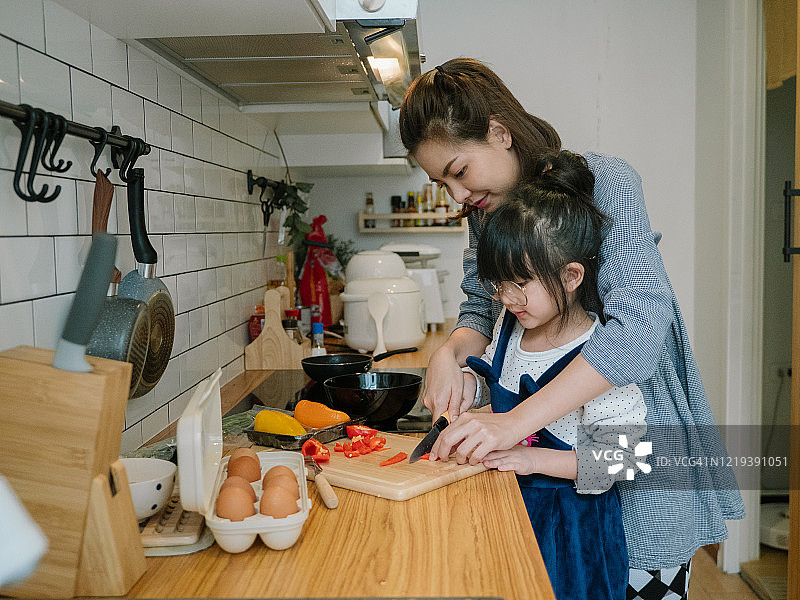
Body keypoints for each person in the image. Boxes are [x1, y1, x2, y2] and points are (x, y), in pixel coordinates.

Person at [398, 58, 744, 599]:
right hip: (545, 483)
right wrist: (452, 352)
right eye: (440, 181)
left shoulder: (605, 181)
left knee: (638, 573)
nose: (457, 196)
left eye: (459, 172)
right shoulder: (486, 216)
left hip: (627, 437)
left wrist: (514, 426)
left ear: (499, 132)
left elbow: (639, 330)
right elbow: (477, 310)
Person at [463, 151, 647, 600]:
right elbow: (507, 410)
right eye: (497, 284)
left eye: (519, 283)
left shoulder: (600, 358)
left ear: (570, 276)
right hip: (508, 512)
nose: (506, 298)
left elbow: (623, 461)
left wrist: (534, 461)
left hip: (575, 534)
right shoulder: (509, 332)